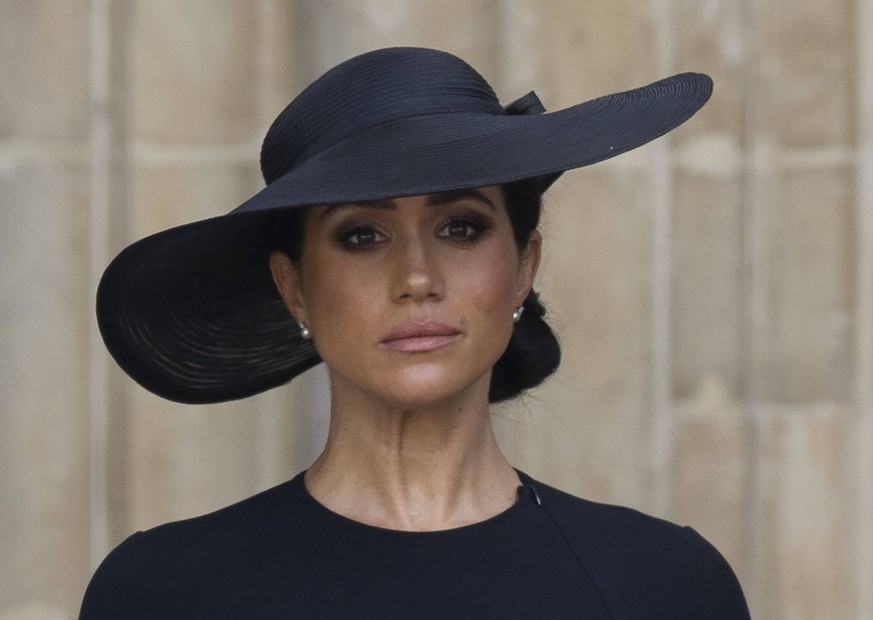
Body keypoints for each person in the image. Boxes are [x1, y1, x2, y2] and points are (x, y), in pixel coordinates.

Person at [80, 47, 750, 618]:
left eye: (460, 227)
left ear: (523, 268)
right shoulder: (162, 593)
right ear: (294, 287)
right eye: (361, 235)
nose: (417, 277)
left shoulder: (664, 586)